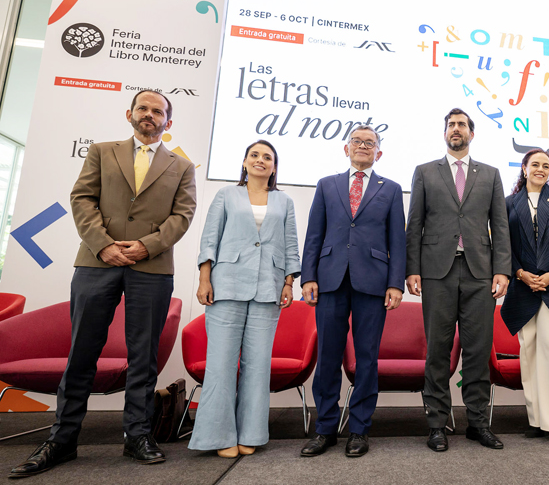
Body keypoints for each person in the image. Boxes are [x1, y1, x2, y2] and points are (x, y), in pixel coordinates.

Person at [9, 91, 196, 478]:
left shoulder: (182, 165)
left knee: (143, 357)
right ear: (129, 114)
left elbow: (182, 215)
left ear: (168, 122)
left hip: (153, 267)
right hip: (96, 262)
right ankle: (62, 440)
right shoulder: (102, 151)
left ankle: (138, 436)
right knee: (81, 352)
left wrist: (145, 245)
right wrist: (104, 245)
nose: (150, 115)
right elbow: (82, 199)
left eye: (158, 111)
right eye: (143, 108)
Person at [406, 108, 511, 452]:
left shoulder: (491, 174)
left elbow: (500, 225)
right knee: (437, 350)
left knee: (478, 351)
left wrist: (502, 269)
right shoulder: (425, 172)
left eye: (461, 124)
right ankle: (437, 424)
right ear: (445, 132)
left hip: (481, 271)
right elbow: (415, 224)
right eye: (451, 124)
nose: (456, 129)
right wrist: (412, 268)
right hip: (437, 271)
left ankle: (478, 423)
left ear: (471, 133)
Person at [189, 140, 301, 458]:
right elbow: (210, 238)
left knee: (257, 366)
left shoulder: (284, 201)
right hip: (226, 286)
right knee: (222, 364)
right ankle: (219, 435)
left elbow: (290, 244)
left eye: (268, 157)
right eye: (255, 155)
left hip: (269, 287)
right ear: (244, 162)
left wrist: (289, 282)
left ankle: (251, 432)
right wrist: (204, 279)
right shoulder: (226, 195)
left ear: (274, 167)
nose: (260, 160)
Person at [300, 125, 406, 458]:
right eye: (357, 142)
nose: (363, 146)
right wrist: (308, 276)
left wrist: (395, 283)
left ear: (379, 152)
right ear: (346, 149)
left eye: (369, 143)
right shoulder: (326, 185)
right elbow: (314, 234)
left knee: (366, 359)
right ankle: (325, 429)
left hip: (373, 282)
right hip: (330, 279)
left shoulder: (390, 189)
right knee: (328, 357)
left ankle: (359, 429)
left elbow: (397, 242)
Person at [501, 148, 549, 445]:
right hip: (522, 287)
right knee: (529, 354)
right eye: (535, 164)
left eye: (546, 165)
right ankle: (536, 420)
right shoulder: (508, 203)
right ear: (523, 167)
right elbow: (503, 245)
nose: (541, 169)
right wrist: (520, 274)